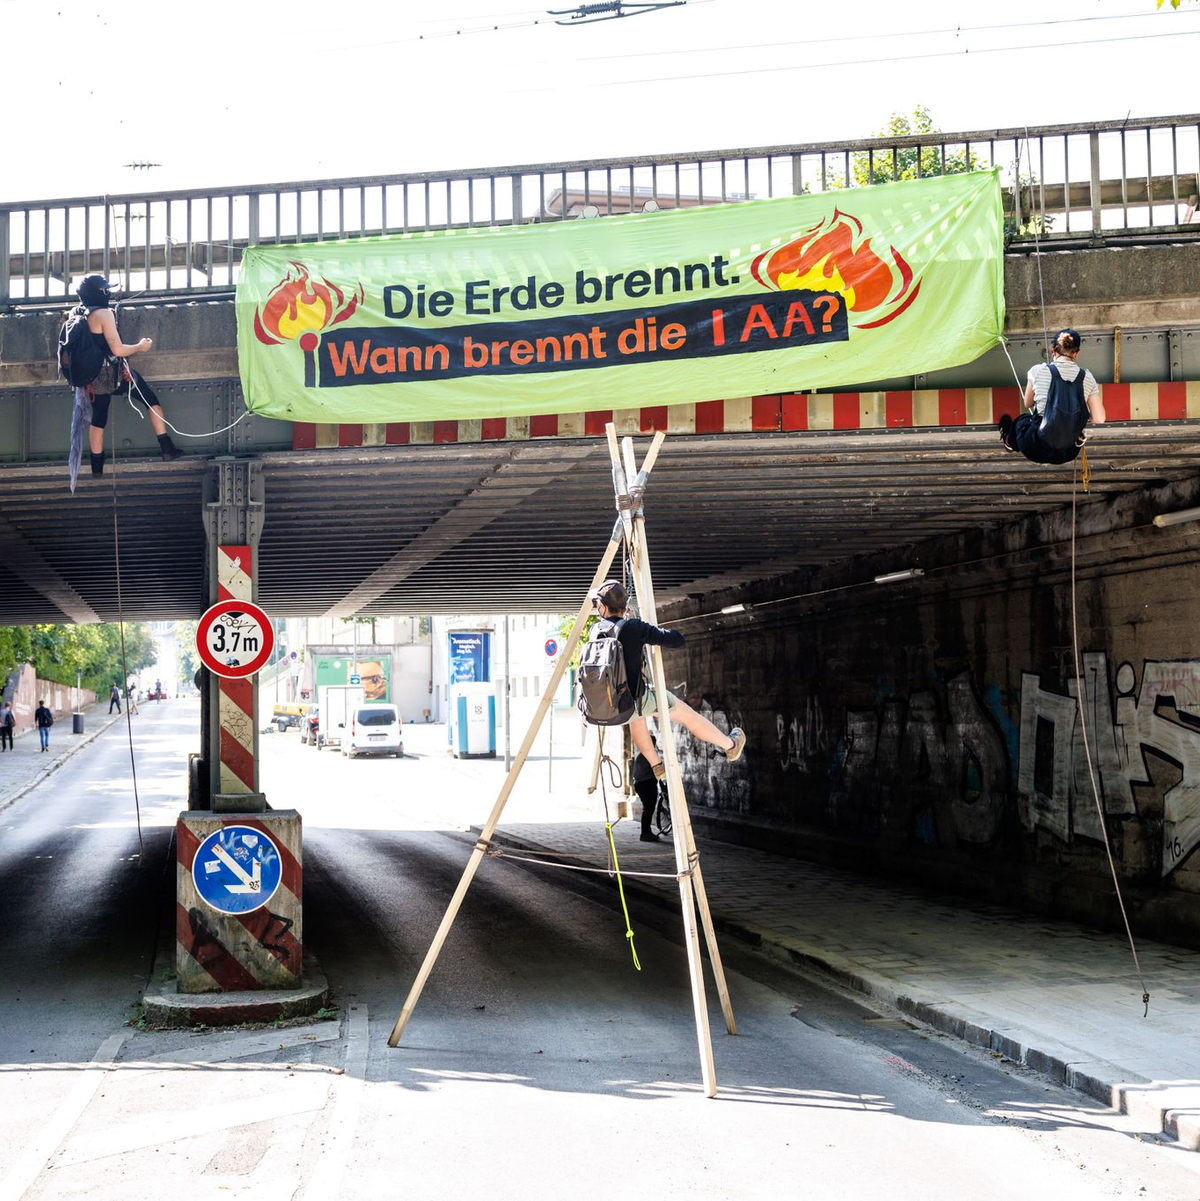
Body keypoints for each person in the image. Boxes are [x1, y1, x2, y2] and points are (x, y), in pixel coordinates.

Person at [589, 579, 746, 779]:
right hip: (631, 701)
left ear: (602, 607)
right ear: (624, 607)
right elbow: (676, 639)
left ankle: (657, 765)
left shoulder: (596, 631)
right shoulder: (633, 627)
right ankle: (730, 745)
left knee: (637, 719)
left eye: (596, 604)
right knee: (688, 715)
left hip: (607, 705)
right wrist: (648, 629)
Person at [70, 275, 184, 477]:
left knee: (99, 418)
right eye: (105, 290)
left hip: (92, 380)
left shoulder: (76, 313)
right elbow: (118, 350)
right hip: (113, 376)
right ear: (98, 293)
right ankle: (167, 448)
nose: (108, 293)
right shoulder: (104, 314)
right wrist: (141, 346)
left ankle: (97, 470)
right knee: (150, 400)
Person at [998, 328, 1105, 464]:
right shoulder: (1088, 378)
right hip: (1067, 452)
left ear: (1053, 351)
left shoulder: (1037, 370)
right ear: (1077, 353)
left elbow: (1027, 403)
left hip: (1034, 447)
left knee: (1023, 420)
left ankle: (1009, 442)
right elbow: (1099, 418)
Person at [632, 750, 667, 842]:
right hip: (646, 784)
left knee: (647, 808)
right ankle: (645, 833)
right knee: (648, 809)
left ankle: (646, 832)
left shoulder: (641, 756)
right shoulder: (649, 756)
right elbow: (657, 770)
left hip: (640, 783)